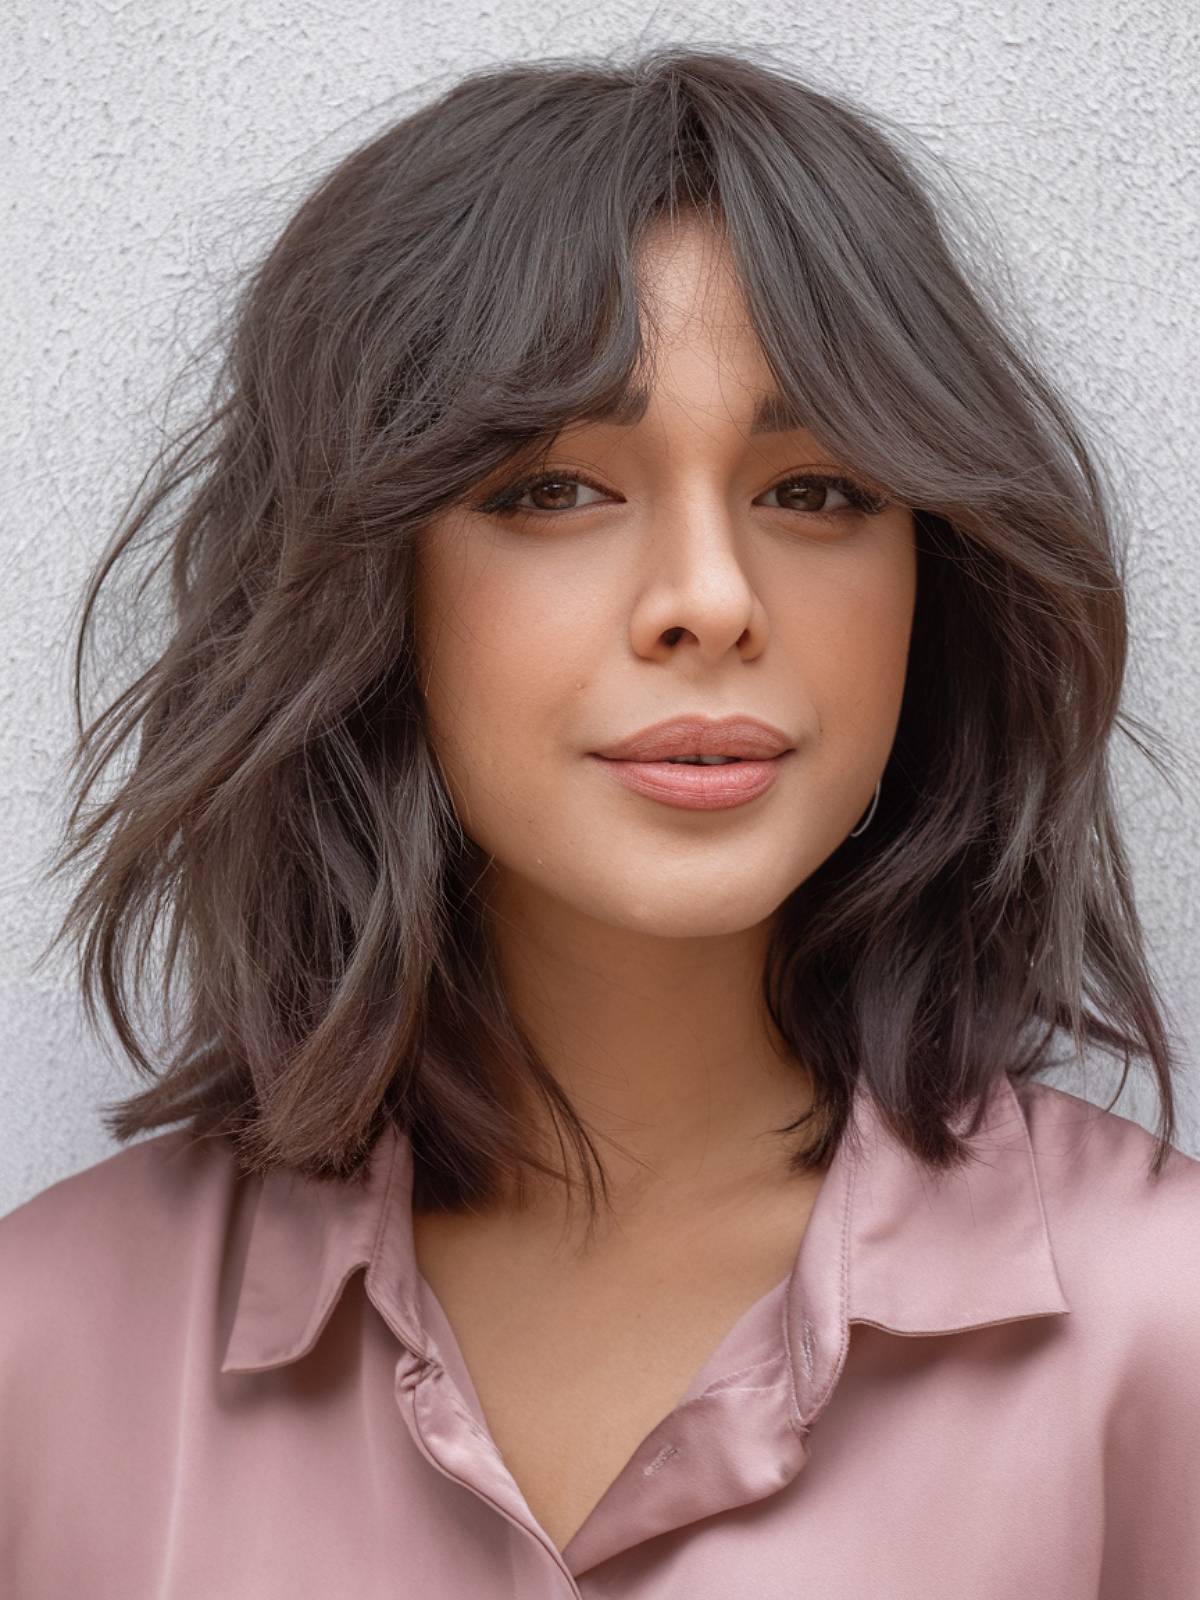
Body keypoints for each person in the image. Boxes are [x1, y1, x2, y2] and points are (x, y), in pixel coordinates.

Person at [1, 42, 1197, 1599]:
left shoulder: (1165, 1333)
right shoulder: (49, 1343)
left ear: (937, 580)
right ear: (369, 587)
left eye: (820, 489)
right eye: (552, 489)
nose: (708, 600)